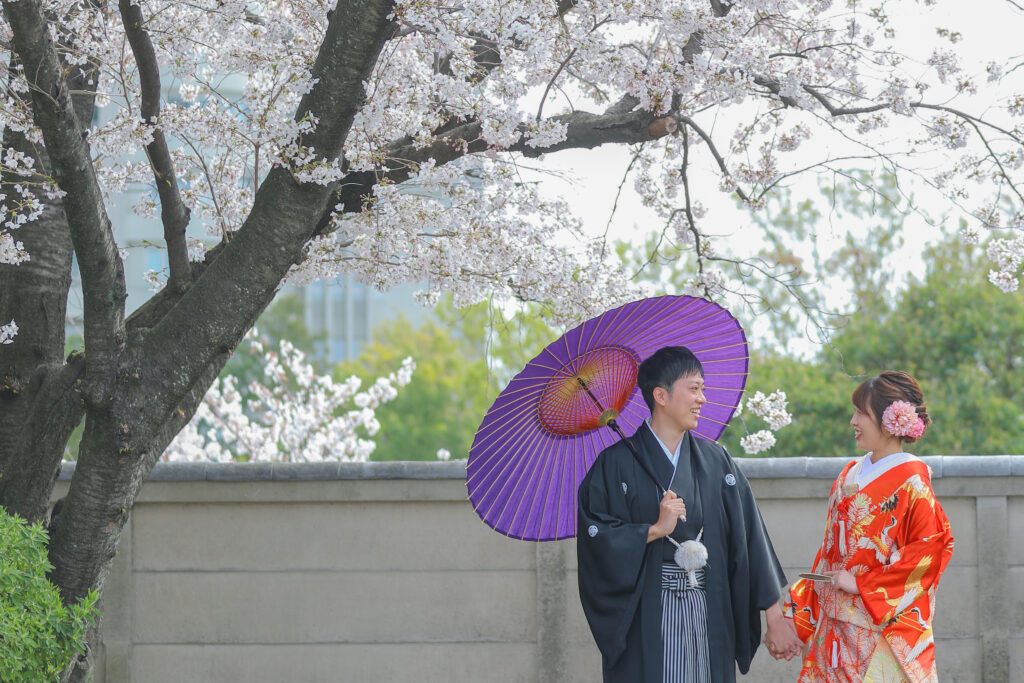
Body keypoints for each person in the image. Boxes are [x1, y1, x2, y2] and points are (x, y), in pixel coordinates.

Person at [577, 345, 801, 683]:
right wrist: (653, 529)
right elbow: (597, 540)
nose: (702, 399)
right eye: (694, 388)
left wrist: (775, 617)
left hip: (708, 610)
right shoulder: (614, 465)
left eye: (703, 389)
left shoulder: (716, 462)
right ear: (661, 396)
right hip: (646, 618)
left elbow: (750, 538)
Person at [785, 371, 955, 682]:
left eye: (861, 412)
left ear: (891, 420)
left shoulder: (913, 481)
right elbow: (827, 554)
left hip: (878, 636)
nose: (853, 421)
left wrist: (862, 584)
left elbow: (928, 554)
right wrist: (799, 619)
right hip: (833, 632)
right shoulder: (848, 472)